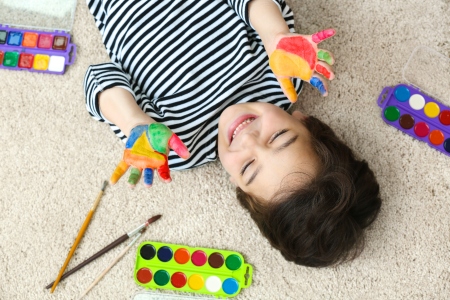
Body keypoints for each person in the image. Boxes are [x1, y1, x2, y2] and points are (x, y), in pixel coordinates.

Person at [84, 0, 382, 267]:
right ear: (305, 121)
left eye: (249, 167)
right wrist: (274, 35)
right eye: (278, 137)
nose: (248, 139)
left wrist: (133, 122)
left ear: (237, 185)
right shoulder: (285, 71)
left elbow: (98, 77)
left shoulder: (172, 147)